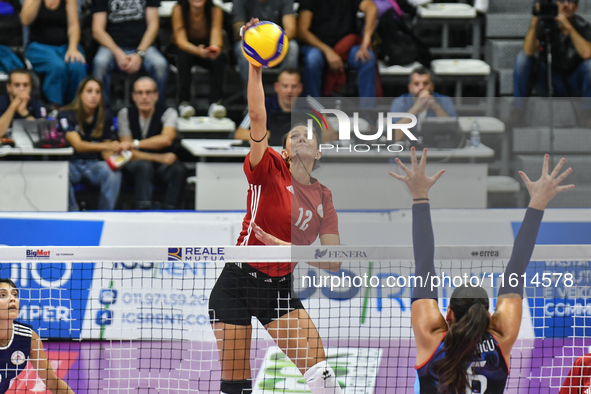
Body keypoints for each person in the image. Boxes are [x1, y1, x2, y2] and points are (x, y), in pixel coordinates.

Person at [208, 19, 343, 394]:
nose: (302, 137)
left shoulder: (323, 196)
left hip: (279, 289)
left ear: (317, 153)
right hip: (237, 283)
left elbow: (332, 261)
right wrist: (255, 64)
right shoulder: (267, 168)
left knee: (323, 377)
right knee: (237, 386)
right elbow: (257, 116)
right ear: (284, 150)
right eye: (293, 135)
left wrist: (287, 249)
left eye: (308, 137)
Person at [389, 149, 574, 393]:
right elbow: (515, 271)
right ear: (488, 316)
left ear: (448, 313)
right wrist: (538, 203)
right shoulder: (500, 338)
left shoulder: (432, 338)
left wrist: (419, 197)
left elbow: (424, 264)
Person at [117, 77, 186, 210]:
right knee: (144, 165)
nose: (144, 97)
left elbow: (166, 139)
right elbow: (127, 151)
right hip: (136, 167)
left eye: (148, 93)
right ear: (133, 96)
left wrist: (135, 144)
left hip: (161, 167)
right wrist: (158, 157)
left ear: (156, 95)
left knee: (178, 169)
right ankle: (143, 209)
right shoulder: (125, 114)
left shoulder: (168, 112)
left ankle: (172, 211)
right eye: (139, 93)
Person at [0, 278, 75, 393]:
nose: (12, 299)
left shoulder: (27, 337)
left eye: (15, 294)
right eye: (3, 295)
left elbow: (52, 381)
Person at [59, 77, 122, 211]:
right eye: (89, 91)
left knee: (113, 174)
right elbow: (78, 145)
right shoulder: (66, 114)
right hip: (72, 163)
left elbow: (106, 153)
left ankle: (105, 214)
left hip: (94, 164)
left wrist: (119, 153)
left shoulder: (105, 116)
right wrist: (106, 146)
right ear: (80, 94)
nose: (94, 96)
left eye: (97, 92)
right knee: (59, 172)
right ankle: (73, 212)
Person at [92, 0, 168, 107]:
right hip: (112, 47)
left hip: (143, 46)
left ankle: (157, 111)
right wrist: (118, 53)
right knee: (100, 62)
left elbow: (153, 26)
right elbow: (97, 30)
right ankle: (102, 113)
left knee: (160, 64)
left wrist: (139, 54)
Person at [513, 0, 591, 105]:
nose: (566, 5)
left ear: (576, 8)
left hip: (575, 83)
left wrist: (569, 28)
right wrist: (535, 20)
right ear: (556, 3)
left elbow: (587, 54)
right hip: (549, 79)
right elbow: (528, 51)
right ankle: (518, 109)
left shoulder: (582, 25)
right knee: (522, 59)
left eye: (571, 1)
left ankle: (587, 114)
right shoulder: (545, 24)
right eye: (562, 1)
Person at [297, 0, 378, 98]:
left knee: (367, 58)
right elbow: (302, 30)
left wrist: (365, 41)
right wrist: (328, 51)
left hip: (346, 46)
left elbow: (371, 8)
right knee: (313, 59)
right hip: (317, 46)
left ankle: (367, 111)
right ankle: (312, 109)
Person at [234, 68, 337, 144]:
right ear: (276, 87)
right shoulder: (262, 105)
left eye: (294, 86)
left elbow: (331, 135)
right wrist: (272, 134)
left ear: (300, 88)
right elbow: (239, 134)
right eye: (285, 86)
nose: (289, 91)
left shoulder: (310, 103)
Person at [20, 0, 86, 108]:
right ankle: (55, 108)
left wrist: (72, 48)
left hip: (65, 46)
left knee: (77, 66)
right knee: (57, 66)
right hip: (38, 47)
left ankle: (75, 108)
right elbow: (25, 20)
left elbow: (73, 25)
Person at [171, 0, 228, 118]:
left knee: (220, 58)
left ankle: (216, 102)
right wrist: (196, 50)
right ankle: (184, 102)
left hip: (206, 47)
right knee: (183, 57)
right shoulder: (178, 9)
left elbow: (216, 32)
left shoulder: (215, 9)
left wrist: (213, 49)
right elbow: (180, 39)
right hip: (186, 47)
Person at [232, 0, 298, 98]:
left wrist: (272, 42)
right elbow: (237, 28)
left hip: (277, 46)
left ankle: (285, 101)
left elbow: (291, 28)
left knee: (292, 47)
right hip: (253, 44)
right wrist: (245, 31)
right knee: (241, 48)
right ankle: (250, 101)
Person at [389, 66, 457, 142]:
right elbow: (395, 136)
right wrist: (416, 107)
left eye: (426, 83)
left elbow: (455, 132)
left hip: (438, 147)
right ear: (410, 87)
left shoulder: (445, 100)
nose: (421, 87)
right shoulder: (399, 102)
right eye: (416, 84)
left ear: (432, 86)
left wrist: (436, 106)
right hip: (407, 148)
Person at [0, 69, 46, 138]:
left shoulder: (36, 103)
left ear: (31, 87)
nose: (21, 89)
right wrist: (13, 106)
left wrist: (24, 112)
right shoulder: (1, 102)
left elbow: (43, 132)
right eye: (17, 85)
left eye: (25, 85)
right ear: (8, 87)